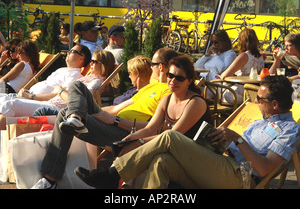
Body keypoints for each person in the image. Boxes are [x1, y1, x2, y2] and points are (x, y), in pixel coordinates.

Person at [75, 75, 300, 190]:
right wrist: (218, 139)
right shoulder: (260, 120)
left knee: (172, 136)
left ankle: (114, 175)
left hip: (241, 177)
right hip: (222, 162)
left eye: (260, 99)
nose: (256, 101)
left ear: (276, 104)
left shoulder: (289, 130)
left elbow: (263, 168)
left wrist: (238, 138)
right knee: (162, 161)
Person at [31, 47, 178, 189]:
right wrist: (87, 110)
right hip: (112, 123)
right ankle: (75, 116)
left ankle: (50, 180)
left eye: (152, 64)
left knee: (64, 115)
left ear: (161, 67)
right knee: (77, 86)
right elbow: (114, 109)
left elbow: (155, 129)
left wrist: (115, 121)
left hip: (128, 134)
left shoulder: (169, 93)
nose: (150, 68)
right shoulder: (150, 88)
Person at [113, 55, 211, 157]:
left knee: (150, 157)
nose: (173, 81)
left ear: (189, 81)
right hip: (170, 150)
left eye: (179, 78)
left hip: (192, 155)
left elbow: (171, 136)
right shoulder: (167, 99)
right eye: (170, 75)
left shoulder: (195, 103)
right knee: (128, 152)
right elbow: (150, 129)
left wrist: (139, 142)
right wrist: (131, 138)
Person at [0, 43, 91, 130]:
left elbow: (60, 96)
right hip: (28, 97)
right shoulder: (62, 70)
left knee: (9, 105)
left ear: (82, 58)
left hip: (47, 105)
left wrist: (30, 96)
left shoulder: (75, 75)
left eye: (72, 51)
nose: (67, 52)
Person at [32, 49, 115, 117]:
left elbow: (81, 101)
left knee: (21, 106)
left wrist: (60, 91)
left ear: (102, 65)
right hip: (49, 104)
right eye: (91, 61)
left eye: (94, 61)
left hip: (58, 109)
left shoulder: (96, 82)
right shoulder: (88, 77)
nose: (91, 63)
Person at [217, 28, 265, 104]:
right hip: (255, 91)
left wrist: (221, 75)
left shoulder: (244, 56)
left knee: (215, 86)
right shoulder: (260, 57)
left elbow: (225, 75)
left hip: (241, 92)